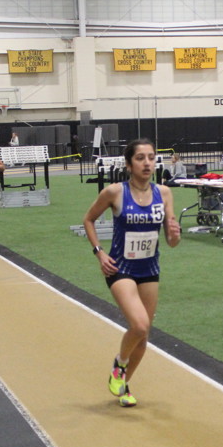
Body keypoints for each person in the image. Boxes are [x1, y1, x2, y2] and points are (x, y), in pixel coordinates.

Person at [81, 139, 180, 408]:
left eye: (151, 157)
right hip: (120, 268)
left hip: (149, 269)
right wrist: (99, 253)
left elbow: (172, 241)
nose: (147, 163)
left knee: (143, 337)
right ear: (128, 164)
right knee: (140, 325)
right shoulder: (115, 192)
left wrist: (174, 234)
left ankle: (124, 384)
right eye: (140, 158)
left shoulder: (164, 193)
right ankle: (120, 364)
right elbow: (88, 219)